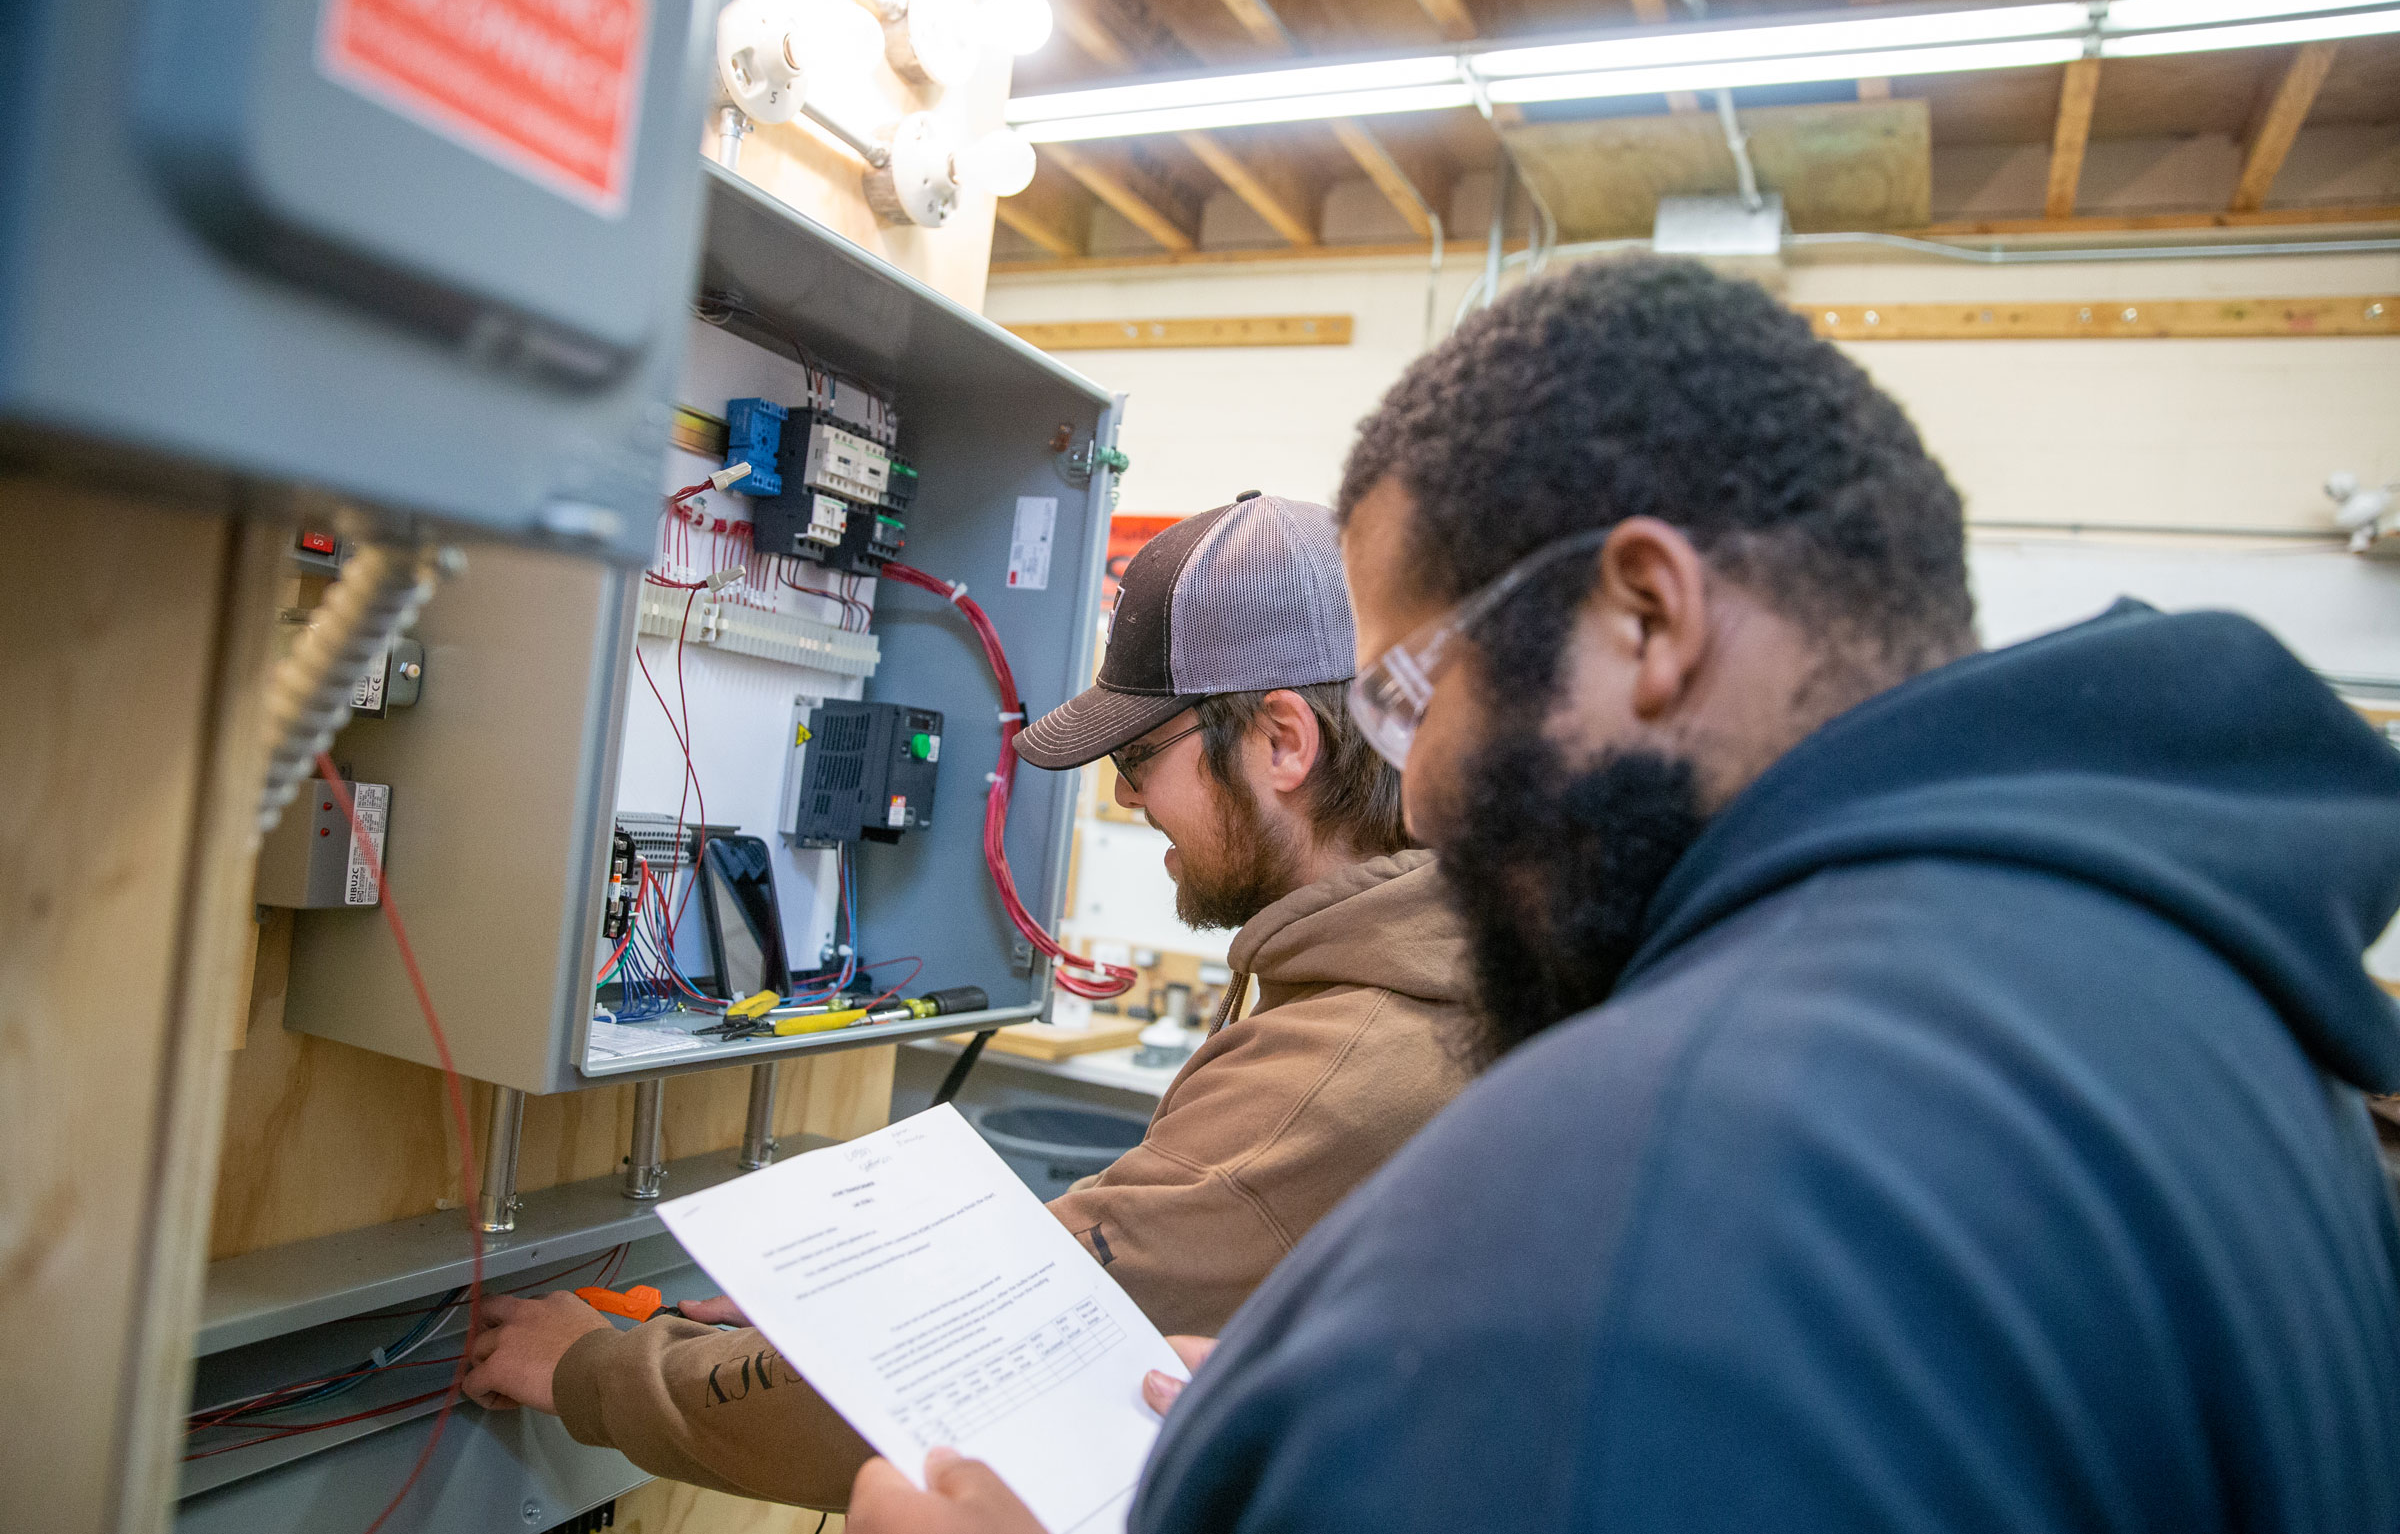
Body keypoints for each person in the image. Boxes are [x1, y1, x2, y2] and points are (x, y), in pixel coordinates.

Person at [846, 258, 2400, 1533]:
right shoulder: (2205, 1010)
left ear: (1646, 617)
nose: (1427, 790)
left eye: (1411, 694)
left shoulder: (1690, 1160)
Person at [463, 492, 1471, 1507]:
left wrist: (591, 1370)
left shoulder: (1336, 1070)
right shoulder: (1457, 979)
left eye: (1135, 758)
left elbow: (989, 1383)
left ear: (1284, 741)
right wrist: (856, 1317)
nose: (1125, 798)